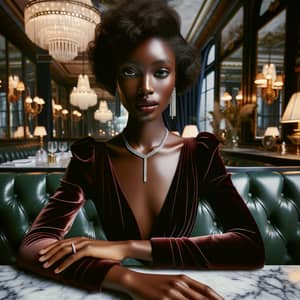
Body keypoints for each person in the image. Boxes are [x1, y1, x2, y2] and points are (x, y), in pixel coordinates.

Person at [17, 0, 265, 299]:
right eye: (130, 71)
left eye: (160, 72)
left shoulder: (199, 153)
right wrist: (126, 279)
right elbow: (33, 245)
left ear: (175, 79)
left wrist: (127, 247)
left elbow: (249, 245)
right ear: (114, 80)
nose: (146, 87)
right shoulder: (92, 159)